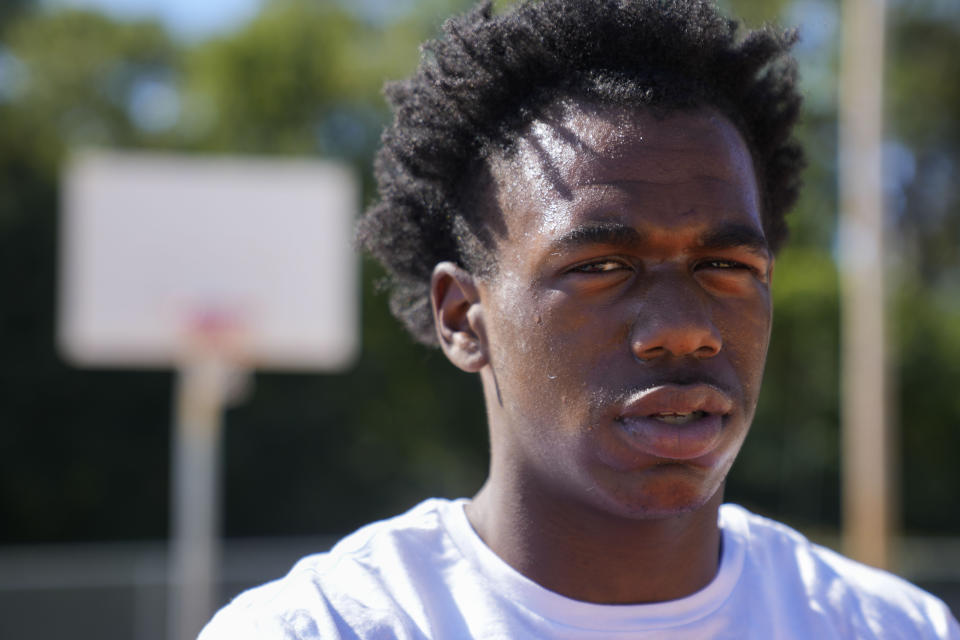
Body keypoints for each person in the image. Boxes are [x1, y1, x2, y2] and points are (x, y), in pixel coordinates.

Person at [200, 0, 960, 637]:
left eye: (725, 267)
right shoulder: (326, 627)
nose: (683, 329)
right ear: (464, 317)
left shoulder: (888, 626)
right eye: (601, 268)